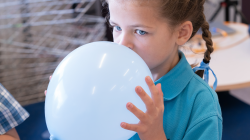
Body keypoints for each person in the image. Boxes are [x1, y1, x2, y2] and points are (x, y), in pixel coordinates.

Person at [46, 0, 222, 139]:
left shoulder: (201, 103)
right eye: (117, 27)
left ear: (182, 33)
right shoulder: (104, 81)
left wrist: (154, 136)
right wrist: (67, 116)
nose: (122, 43)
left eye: (140, 31)